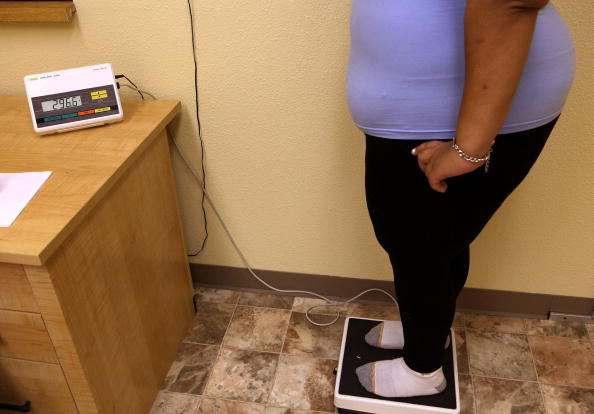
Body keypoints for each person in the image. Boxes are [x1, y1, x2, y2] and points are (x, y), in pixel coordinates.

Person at [347, 0, 575, 398]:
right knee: (435, 243)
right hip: (432, 105)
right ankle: (427, 334)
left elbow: (510, 3)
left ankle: (422, 370)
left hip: (451, 112)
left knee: (418, 249)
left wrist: (468, 149)